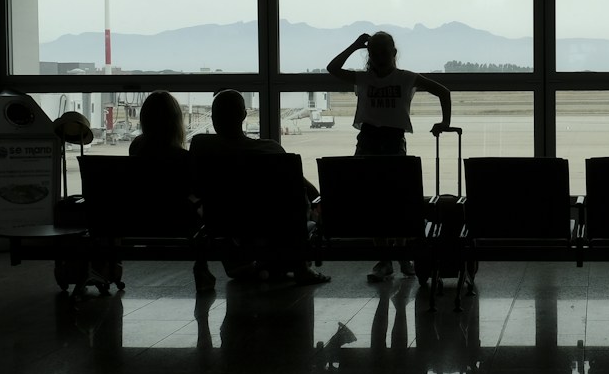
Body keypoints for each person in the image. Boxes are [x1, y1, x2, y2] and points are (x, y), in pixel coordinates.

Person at [326, 31, 452, 281]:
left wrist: (445, 123)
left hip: (390, 143)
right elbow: (332, 68)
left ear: (393, 54)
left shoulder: (406, 78)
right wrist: (354, 45)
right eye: (374, 53)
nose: (380, 58)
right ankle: (386, 258)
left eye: (383, 52)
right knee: (376, 202)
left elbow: (443, 92)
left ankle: (400, 257)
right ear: (370, 55)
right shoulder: (363, 79)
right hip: (371, 141)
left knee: (395, 200)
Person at [189, 90, 326, 285]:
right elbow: (306, 189)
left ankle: (249, 263)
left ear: (213, 118)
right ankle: (299, 267)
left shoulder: (201, 147)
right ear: (244, 115)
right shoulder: (270, 149)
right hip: (273, 224)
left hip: (223, 223)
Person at [126, 91, 215, 289]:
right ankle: (202, 268)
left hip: (140, 221)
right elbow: (195, 191)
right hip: (179, 223)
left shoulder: (136, 150)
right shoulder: (184, 158)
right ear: (176, 121)